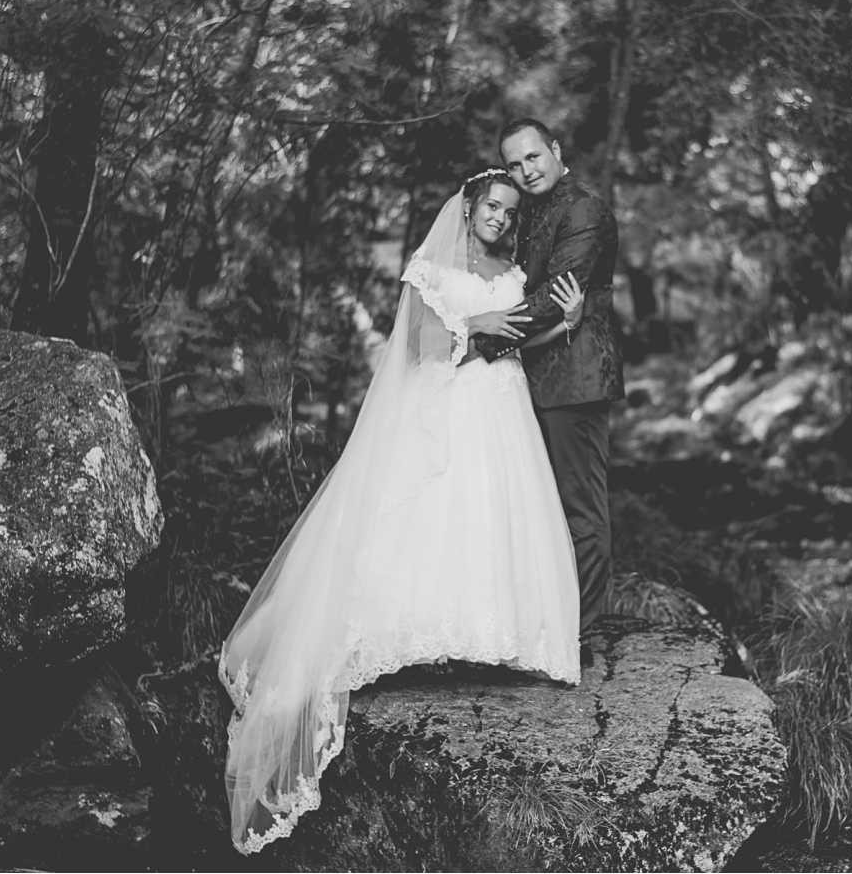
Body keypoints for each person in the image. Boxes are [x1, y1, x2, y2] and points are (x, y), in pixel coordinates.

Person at [217, 169, 587, 855]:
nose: (501, 218)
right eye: (493, 207)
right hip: (446, 408)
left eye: (511, 210)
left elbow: (514, 344)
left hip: (503, 406)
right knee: (435, 515)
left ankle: (499, 638)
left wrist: (558, 324)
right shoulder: (430, 269)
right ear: (469, 207)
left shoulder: (512, 271)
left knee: (499, 520)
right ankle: (418, 636)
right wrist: (471, 323)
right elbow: (422, 354)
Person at [472, 118, 625, 631]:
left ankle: (579, 631)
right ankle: (544, 622)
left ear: (555, 150)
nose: (524, 170)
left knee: (580, 507)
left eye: (532, 157)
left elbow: (553, 294)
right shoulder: (532, 209)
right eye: (514, 164)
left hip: (574, 376)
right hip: (532, 372)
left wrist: (480, 339)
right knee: (540, 504)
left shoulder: (583, 207)